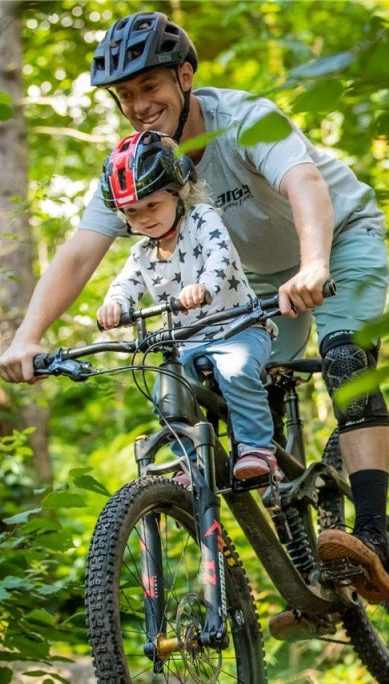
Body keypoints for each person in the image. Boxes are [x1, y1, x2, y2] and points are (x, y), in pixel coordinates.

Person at [0, 11, 389, 636]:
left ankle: (375, 539)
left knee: (344, 357)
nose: (137, 105)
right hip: (253, 280)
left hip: (338, 240)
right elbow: (80, 251)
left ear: (185, 77)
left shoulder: (244, 118)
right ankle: (308, 574)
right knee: (236, 383)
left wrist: (315, 263)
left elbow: (305, 182)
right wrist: (27, 337)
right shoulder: (140, 166)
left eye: (149, 87)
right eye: (125, 95)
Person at [96, 129, 279, 484]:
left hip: (238, 328)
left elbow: (220, 255)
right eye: (132, 213)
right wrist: (114, 305)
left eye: (153, 205)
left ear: (180, 192)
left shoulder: (201, 219)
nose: (145, 218)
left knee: (237, 370)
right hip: (189, 343)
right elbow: (125, 285)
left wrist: (204, 286)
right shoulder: (142, 253)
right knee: (167, 390)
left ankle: (257, 448)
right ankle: (192, 460)